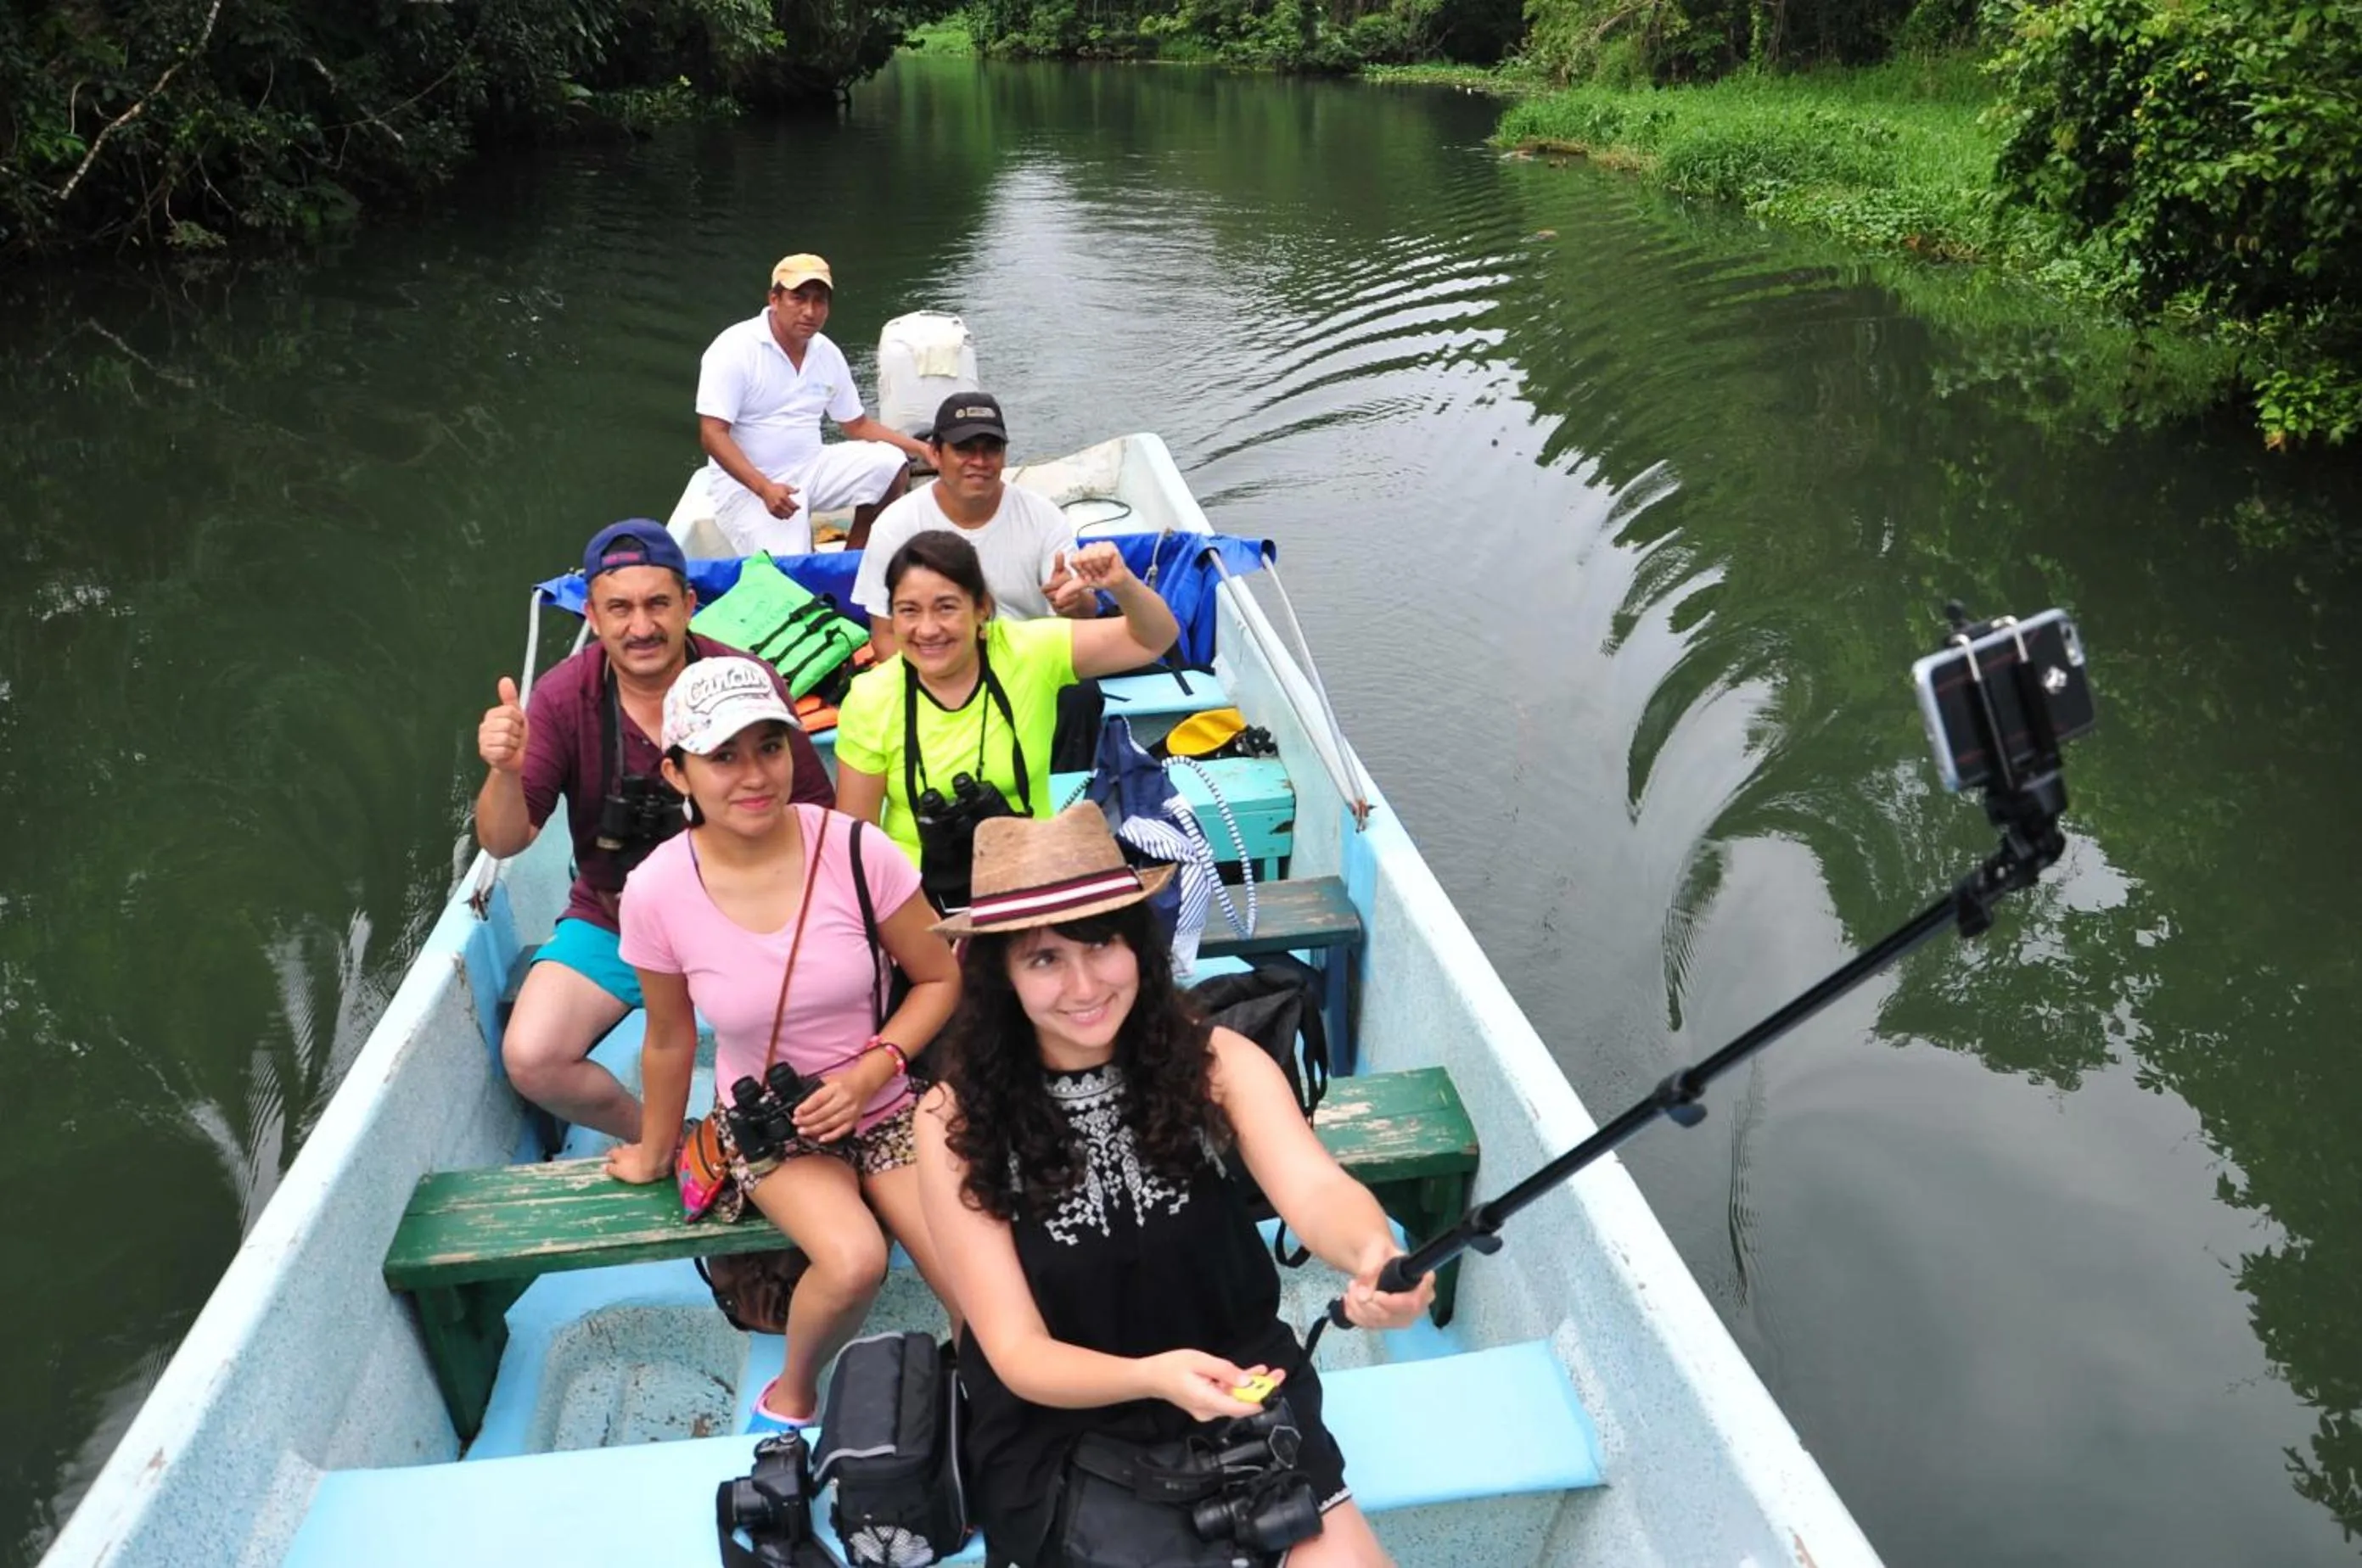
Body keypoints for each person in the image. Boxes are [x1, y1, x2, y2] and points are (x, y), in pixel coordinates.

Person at [915, 805, 1433, 1567]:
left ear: (1138, 944)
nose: (1084, 984)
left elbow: (1316, 1189)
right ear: (1000, 977)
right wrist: (1152, 1378)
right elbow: (1018, 1352)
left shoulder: (1216, 1062)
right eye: (1044, 959)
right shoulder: (953, 1119)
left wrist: (1372, 1252)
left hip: (1240, 1380)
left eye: (1102, 944)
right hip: (1063, 1421)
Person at [603, 656, 962, 1430]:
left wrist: (872, 1073)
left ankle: (988, 1401)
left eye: (768, 747)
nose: (753, 775)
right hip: (774, 1123)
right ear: (678, 773)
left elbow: (939, 979)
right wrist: (653, 1150)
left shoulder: (858, 850)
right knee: (856, 1258)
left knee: (972, 1275)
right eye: (722, 756)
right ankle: (793, 1392)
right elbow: (668, 1038)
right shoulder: (657, 889)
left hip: (887, 1101)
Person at [474, 520, 833, 1140]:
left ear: (690, 605)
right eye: (619, 608)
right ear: (592, 613)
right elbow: (505, 841)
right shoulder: (562, 699)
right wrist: (504, 773)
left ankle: (797, 1139)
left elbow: (816, 820)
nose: (641, 627)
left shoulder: (744, 682)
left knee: (828, 1029)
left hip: (748, 908)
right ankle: (675, 1139)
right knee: (533, 1057)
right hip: (615, 915)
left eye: (658, 603)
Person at [832, 529, 1179, 900]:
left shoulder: (1029, 652)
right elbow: (857, 842)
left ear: (981, 608)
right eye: (909, 611)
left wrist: (1122, 584)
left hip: (1033, 879)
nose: (928, 629)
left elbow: (1153, 639)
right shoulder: (870, 696)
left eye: (946, 607)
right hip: (918, 900)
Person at [695, 253, 934, 557]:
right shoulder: (734, 348)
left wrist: (922, 449)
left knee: (892, 465)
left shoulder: (827, 352)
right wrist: (764, 488)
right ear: (774, 299)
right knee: (792, 573)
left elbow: (857, 425)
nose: (810, 311)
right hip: (747, 487)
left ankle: (852, 558)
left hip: (811, 466)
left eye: (820, 301)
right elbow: (712, 434)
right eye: (799, 298)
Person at [850, 393, 1095, 659]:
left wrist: (1072, 603)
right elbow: (885, 636)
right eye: (964, 448)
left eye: (991, 448)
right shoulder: (894, 525)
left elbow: (1083, 617)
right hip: (934, 672)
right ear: (935, 453)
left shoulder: (1045, 517)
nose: (979, 461)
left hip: (1028, 666)